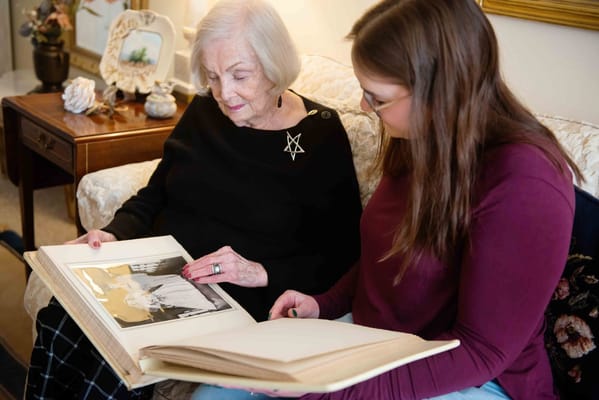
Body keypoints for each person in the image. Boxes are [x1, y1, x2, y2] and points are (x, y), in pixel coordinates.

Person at [25, 0, 362, 398]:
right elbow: (155, 192)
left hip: (230, 300)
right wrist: (112, 234)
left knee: (116, 364)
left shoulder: (319, 135)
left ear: (274, 66)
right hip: (158, 274)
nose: (225, 93)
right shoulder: (205, 108)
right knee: (62, 317)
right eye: (214, 76)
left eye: (239, 75)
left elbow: (343, 251)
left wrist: (259, 271)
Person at [265, 0, 583, 399]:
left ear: (439, 94)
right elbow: (388, 252)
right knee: (218, 392)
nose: (365, 107)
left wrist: (326, 392)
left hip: (471, 376)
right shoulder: (419, 136)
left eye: (376, 97)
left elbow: (481, 352)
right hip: (378, 346)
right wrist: (323, 304)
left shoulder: (526, 184)